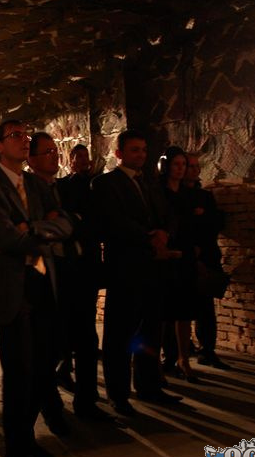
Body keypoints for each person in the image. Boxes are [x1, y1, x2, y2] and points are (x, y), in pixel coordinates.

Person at [0, 120, 72, 457]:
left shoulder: (36, 184)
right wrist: (42, 228)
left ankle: (27, 438)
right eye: (16, 135)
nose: (24, 140)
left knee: (43, 369)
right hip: (12, 290)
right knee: (18, 375)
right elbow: (3, 238)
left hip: (43, 283)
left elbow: (66, 225)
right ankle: (16, 456)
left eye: (26, 135)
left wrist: (29, 228)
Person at [91, 130, 182, 417]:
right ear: (119, 153)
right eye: (134, 150)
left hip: (153, 269)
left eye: (143, 149)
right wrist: (148, 237)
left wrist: (165, 233)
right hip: (125, 270)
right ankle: (118, 395)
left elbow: (169, 214)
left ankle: (149, 385)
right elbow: (113, 221)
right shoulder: (105, 184)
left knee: (150, 331)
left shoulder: (150, 183)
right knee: (120, 335)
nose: (140, 155)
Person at [54, 143, 105, 413]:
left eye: (87, 156)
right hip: (70, 262)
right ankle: (65, 366)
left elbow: (98, 221)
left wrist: (82, 221)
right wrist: (79, 221)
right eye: (79, 156)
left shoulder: (96, 185)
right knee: (70, 320)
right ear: (71, 160)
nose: (84, 160)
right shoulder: (63, 186)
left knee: (85, 319)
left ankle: (75, 375)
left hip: (90, 259)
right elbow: (67, 221)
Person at [183, 153, 230, 369]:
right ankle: (183, 348)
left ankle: (207, 349)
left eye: (196, 166)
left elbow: (216, 223)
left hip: (207, 255)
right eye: (189, 166)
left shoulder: (204, 196)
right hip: (185, 256)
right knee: (183, 305)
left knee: (205, 306)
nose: (194, 170)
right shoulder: (174, 194)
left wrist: (203, 217)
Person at [157, 147, 199, 383]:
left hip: (186, 256)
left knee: (184, 310)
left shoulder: (188, 193)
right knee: (163, 312)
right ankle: (158, 359)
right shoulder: (157, 192)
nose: (181, 168)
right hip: (166, 256)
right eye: (176, 164)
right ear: (166, 166)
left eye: (184, 164)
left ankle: (184, 359)